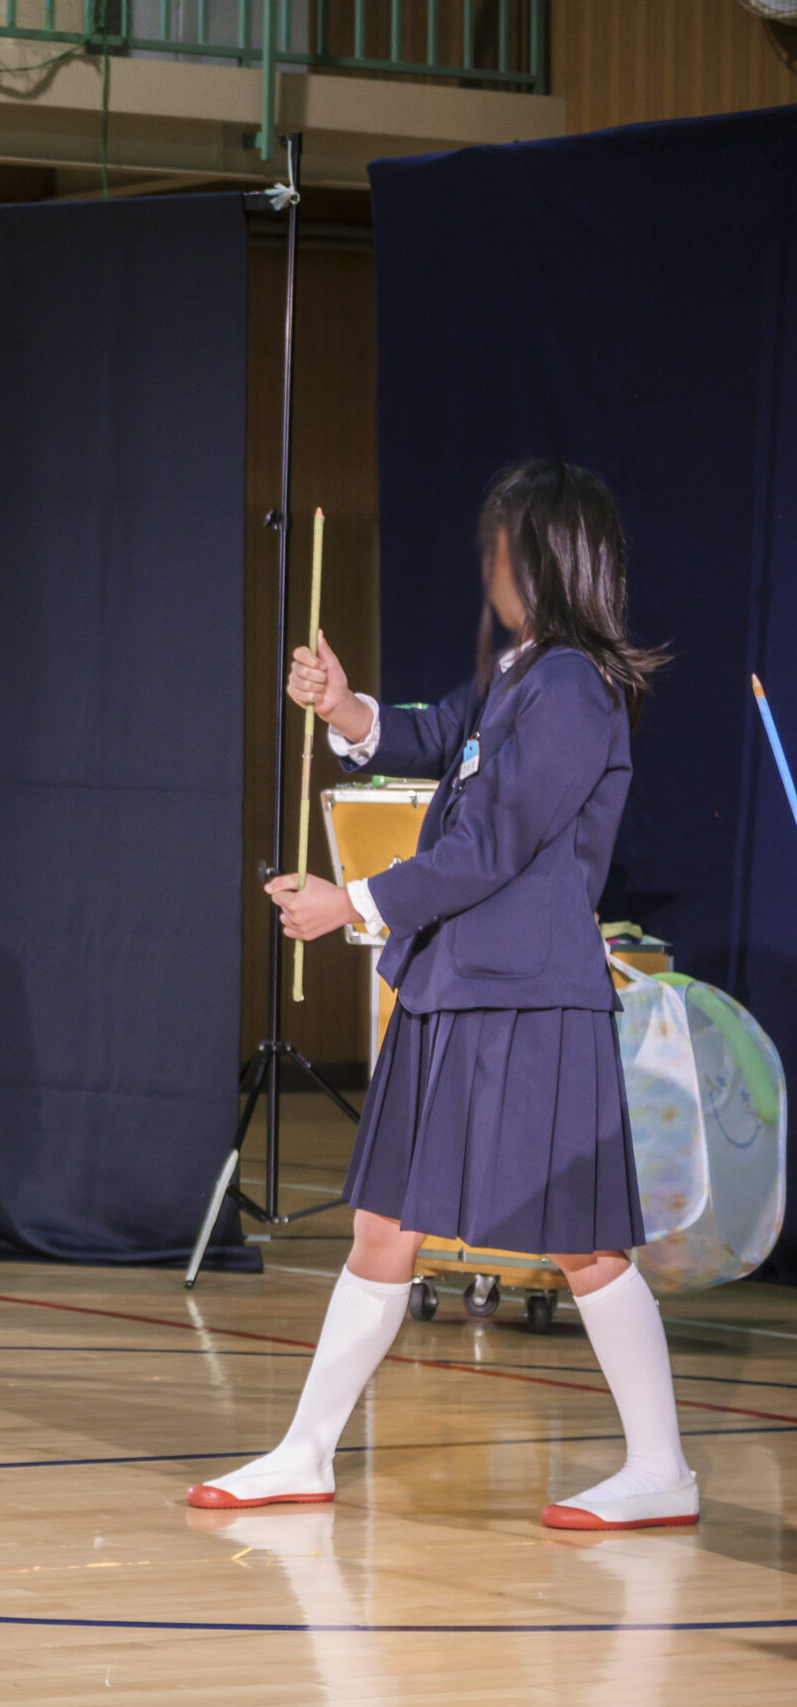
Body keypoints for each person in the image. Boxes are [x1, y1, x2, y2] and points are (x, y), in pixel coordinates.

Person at [196, 459, 689, 1530]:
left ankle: (661, 1470)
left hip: (528, 999)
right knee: (383, 1225)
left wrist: (352, 905)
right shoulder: (518, 673)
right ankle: (304, 1450)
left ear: (548, 558)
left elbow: (492, 843)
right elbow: (425, 736)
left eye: (501, 548)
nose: (487, 567)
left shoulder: (571, 687)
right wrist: (345, 704)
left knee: (581, 1243)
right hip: (453, 989)